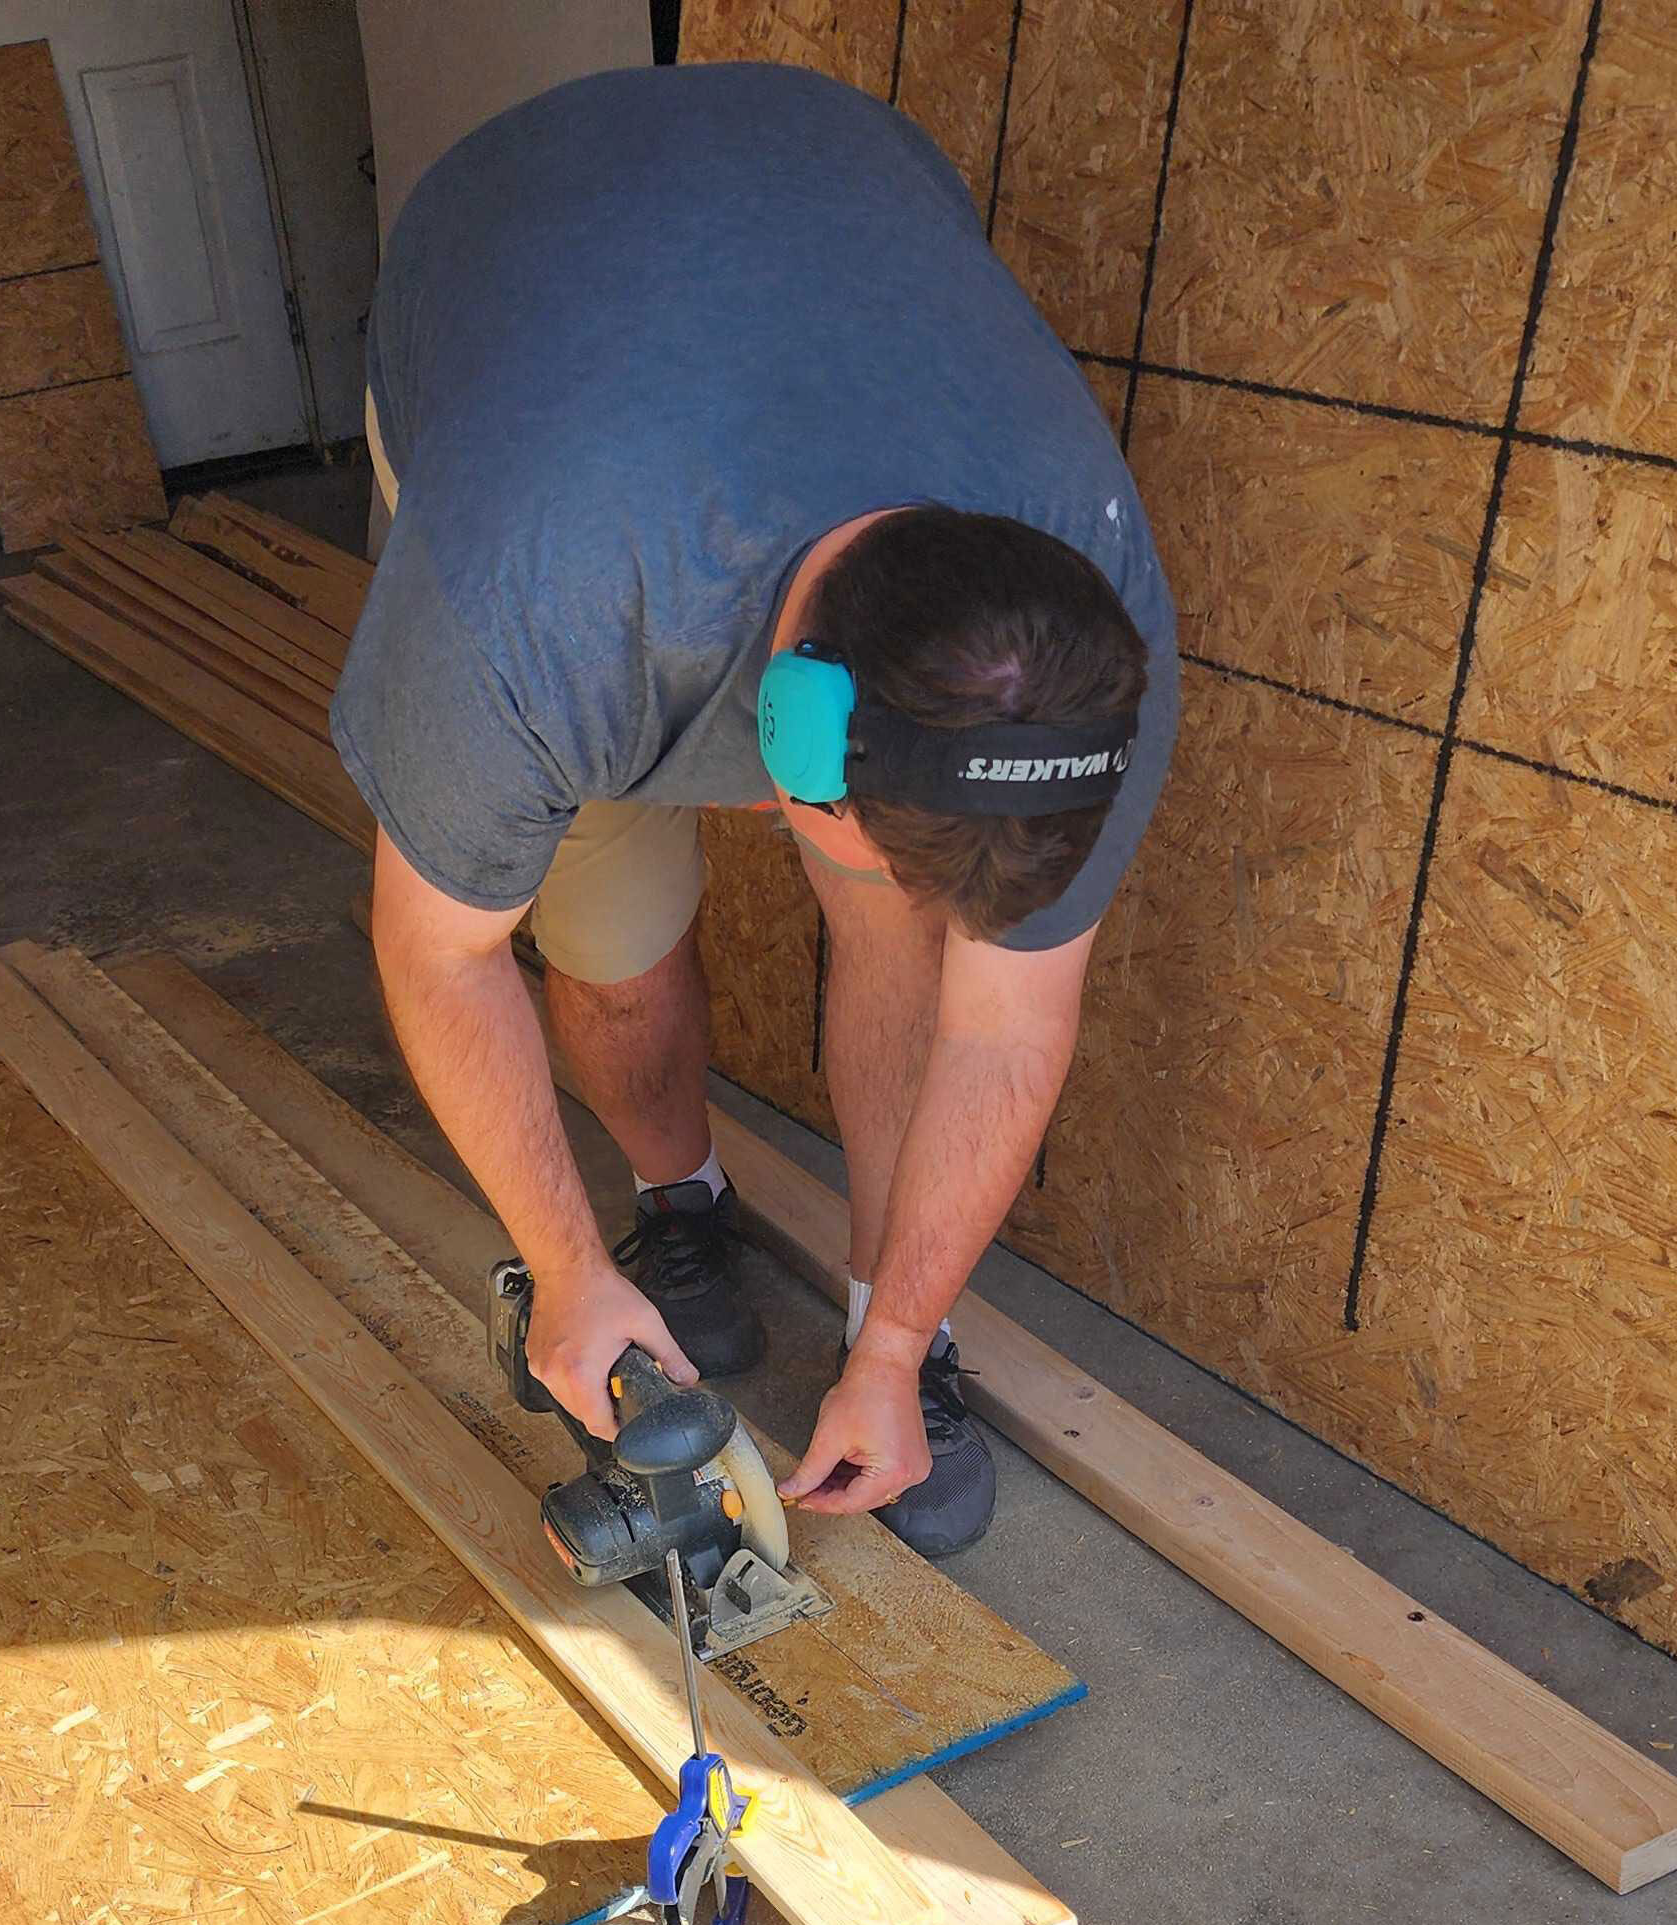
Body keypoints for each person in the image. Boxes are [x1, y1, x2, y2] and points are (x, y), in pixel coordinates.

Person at [336, 62, 1176, 1559]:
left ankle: (876, 1319)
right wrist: (563, 1266)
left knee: (907, 936)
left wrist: (897, 1345)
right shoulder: (534, 599)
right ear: (790, 737)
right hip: (510, 255)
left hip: (828, 177)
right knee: (607, 926)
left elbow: (1007, 1024)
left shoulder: (1085, 635)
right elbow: (442, 954)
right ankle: (677, 1203)